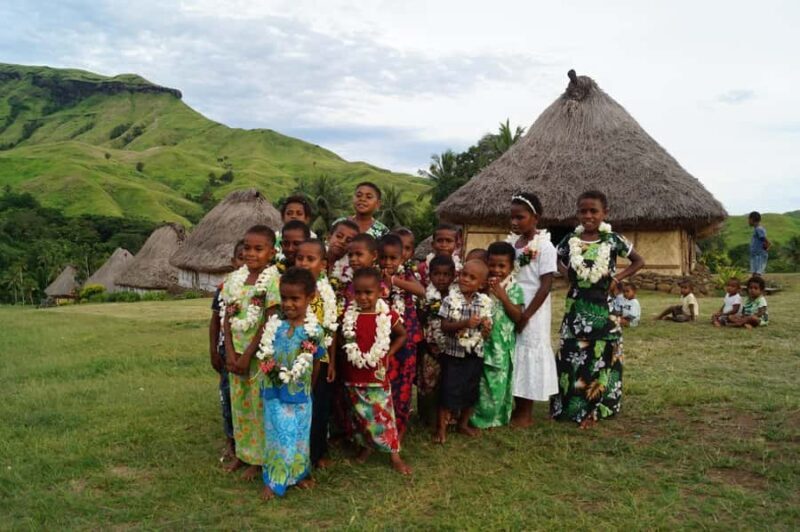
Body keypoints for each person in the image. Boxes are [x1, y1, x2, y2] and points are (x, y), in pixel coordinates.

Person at [553, 190, 645, 429]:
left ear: (605, 213)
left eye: (594, 211)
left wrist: (617, 278)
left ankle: (595, 408)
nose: (588, 215)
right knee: (573, 355)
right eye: (583, 211)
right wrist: (566, 275)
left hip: (603, 309)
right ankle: (571, 405)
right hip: (575, 307)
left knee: (602, 357)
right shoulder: (570, 240)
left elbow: (639, 260)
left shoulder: (613, 240)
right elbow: (555, 259)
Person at [258, 267, 326, 500]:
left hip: (300, 394)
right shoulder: (275, 326)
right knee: (279, 434)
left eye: (295, 298)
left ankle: (298, 474)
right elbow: (265, 355)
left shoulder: (313, 331)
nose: (288, 304)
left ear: (310, 298)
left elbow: (316, 363)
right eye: (284, 297)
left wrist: (308, 390)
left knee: (298, 435)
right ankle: (276, 480)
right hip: (274, 392)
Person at [221, 225, 282, 478]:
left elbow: (270, 319)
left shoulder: (273, 279)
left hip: (258, 357)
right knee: (239, 406)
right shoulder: (234, 279)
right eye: (247, 248)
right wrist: (231, 353)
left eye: (259, 249)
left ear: (271, 252)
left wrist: (247, 356)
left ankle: (259, 459)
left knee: (259, 407)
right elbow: (227, 316)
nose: (251, 253)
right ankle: (243, 454)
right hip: (235, 355)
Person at [339, 268, 411, 474]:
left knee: (383, 415)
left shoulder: (386, 314)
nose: (363, 297)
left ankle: (394, 454)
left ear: (380, 292)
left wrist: (388, 354)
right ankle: (366, 446)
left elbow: (402, 335)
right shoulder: (348, 315)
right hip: (353, 374)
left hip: (376, 376)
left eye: (368, 293)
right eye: (358, 292)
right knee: (360, 415)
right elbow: (341, 338)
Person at [507, 192, 559, 428]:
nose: (515, 222)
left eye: (520, 217)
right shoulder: (512, 244)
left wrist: (527, 315)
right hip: (510, 303)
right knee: (514, 354)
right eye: (512, 218)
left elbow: (547, 284)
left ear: (535, 217)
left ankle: (525, 412)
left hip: (533, 308)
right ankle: (513, 405)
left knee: (529, 354)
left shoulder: (545, 246)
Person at [435, 260, 493, 443]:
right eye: (464, 275)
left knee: (470, 390)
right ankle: (441, 430)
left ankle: (463, 424)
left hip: (474, 355)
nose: (465, 279)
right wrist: (465, 324)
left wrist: (486, 328)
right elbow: (444, 327)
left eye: (472, 277)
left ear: (481, 284)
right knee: (447, 391)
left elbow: (486, 332)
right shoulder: (450, 300)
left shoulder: (484, 302)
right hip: (453, 355)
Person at [470, 242, 524, 429]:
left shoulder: (514, 288)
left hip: (501, 346)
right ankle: (473, 417)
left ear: (511, 267)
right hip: (480, 342)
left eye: (502, 266)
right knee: (478, 382)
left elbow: (518, 316)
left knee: (496, 384)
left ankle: (494, 418)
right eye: (492, 265)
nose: (496, 270)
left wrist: (503, 296)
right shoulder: (482, 284)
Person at [295, 239, 338, 469]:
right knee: (297, 407)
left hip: (320, 359)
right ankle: (297, 456)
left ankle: (318, 451)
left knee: (319, 407)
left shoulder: (327, 292)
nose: (303, 263)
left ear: (323, 264)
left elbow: (332, 327)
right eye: (300, 258)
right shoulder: (290, 287)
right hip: (294, 360)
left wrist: (331, 361)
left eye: (310, 259)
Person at [378, 234, 424, 440]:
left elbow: (421, 291)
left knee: (402, 387)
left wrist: (394, 281)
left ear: (402, 258)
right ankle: (376, 432)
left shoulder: (406, 275)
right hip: (380, 339)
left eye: (393, 258)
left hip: (407, 340)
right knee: (379, 385)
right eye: (383, 257)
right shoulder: (373, 275)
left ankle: (397, 432)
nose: (388, 262)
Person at [209, 240, 245, 460]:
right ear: (233, 261)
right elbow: (215, 321)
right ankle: (231, 441)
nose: (246, 260)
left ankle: (252, 444)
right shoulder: (224, 288)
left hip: (251, 351)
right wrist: (213, 350)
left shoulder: (264, 287)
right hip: (226, 351)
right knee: (228, 396)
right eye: (241, 256)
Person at [417, 255, 456, 426]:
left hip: (452, 347)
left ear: (453, 275)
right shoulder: (425, 295)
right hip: (429, 347)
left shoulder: (457, 296)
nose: (441, 278)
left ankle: (449, 417)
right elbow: (420, 320)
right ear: (430, 275)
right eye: (437, 274)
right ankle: (427, 417)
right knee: (428, 383)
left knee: (449, 382)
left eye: (446, 274)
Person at [274, 195, 316, 259]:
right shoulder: (274, 239)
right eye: (289, 213)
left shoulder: (314, 241)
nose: (294, 216)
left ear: (307, 218)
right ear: (282, 217)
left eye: (299, 213)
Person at [326, 219, 359, 294]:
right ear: (329, 237)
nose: (342, 241)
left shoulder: (352, 269)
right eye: (339, 236)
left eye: (348, 240)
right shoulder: (315, 259)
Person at [748, 211, 769, 276]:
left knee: (757, 272)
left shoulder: (758, 229)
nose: (748, 221)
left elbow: (764, 239)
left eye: (749, 219)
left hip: (759, 255)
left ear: (752, 219)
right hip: (755, 255)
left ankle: (757, 285)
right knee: (754, 272)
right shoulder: (757, 229)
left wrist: (768, 245)